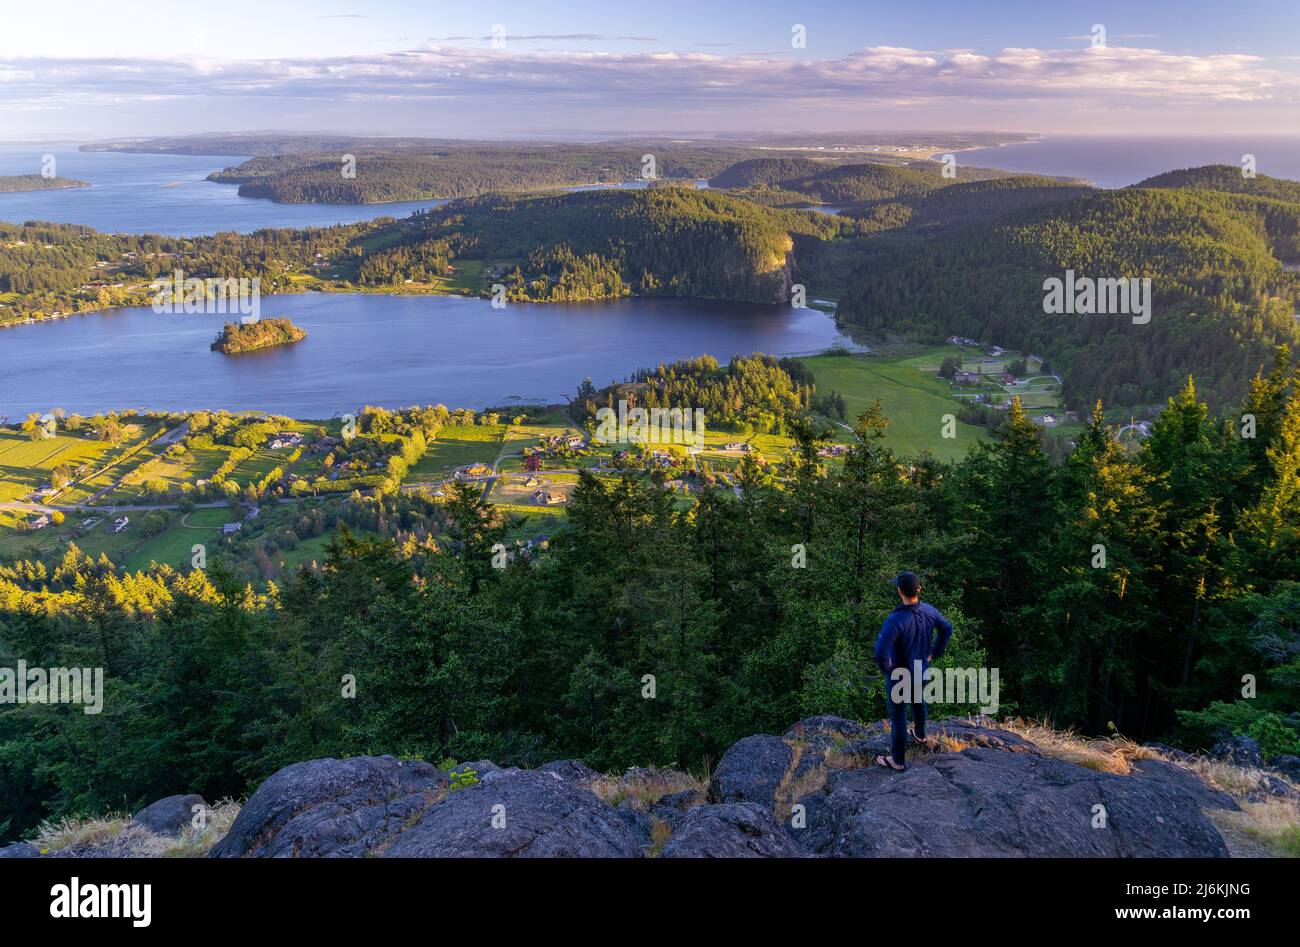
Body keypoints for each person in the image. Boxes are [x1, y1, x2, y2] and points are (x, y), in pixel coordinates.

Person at [873, 571, 954, 772]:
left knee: (899, 715)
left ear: (900, 591)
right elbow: (947, 628)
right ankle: (920, 735)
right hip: (922, 669)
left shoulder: (895, 619)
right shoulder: (929, 611)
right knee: (918, 700)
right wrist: (935, 653)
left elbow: (881, 654)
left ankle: (898, 761)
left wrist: (888, 671)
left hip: (900, 673)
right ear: (919, 589)